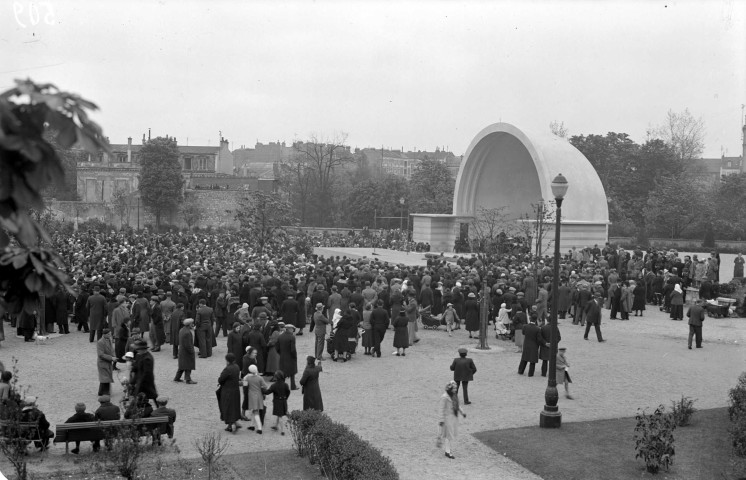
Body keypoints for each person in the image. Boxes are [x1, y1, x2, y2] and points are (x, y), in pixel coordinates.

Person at [438, 381, 466, 459]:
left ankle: (448, 451)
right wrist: (441, 420)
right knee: (449, 435)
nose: (455, 389)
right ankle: (447, 451)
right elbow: (441, 409)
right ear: (450, 388)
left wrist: (462, 412)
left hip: (453, 418)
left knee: (450, 435)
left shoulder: (453, 395)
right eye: (454, 388)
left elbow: (457, 405)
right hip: (447, 419)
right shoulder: (444, 397)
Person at [218, 353, 242, 433]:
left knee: (227, 407)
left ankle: (232, 424)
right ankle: (232, 423)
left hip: (227, 391)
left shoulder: (228, 369)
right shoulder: (237, 367)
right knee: (234, 406)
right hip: (236, 390)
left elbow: (221, 379)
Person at [242, 364, 268, 434]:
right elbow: (265, 386)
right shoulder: (260, 378)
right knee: (254, 410)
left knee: (255, 411)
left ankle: (259, 428)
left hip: (251, 396)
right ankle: (252, 425)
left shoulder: (247, 378)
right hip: (259, 395)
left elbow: (244, 386)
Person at [263, 370, 290, 435]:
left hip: (277, 402)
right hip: (283, 401)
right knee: (279, 414)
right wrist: (285, 398)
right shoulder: (285, 385)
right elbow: (288, 392)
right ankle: (276, 426)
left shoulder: (274, 385)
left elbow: (267, 392)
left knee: (280, 416)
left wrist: (262, 389)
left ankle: (282, 430)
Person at [97, 328, 122, 396]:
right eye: (108, 334)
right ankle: (106, 392)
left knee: (105, 377)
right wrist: (111, 358)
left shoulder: (109, 340)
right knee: (105, 378)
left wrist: (114, 357)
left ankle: (101, 391)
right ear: (104, 334)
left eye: (110, 334)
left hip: (108, 361)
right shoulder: (100, 342)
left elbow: (112, 349)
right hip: (103, 362)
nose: (110, 335)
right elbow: (101, 354)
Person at [174, 318, 197, 384]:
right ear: (189, 324)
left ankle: (177, 378)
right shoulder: (187, 332)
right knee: (188, 365)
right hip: (186, 352)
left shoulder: (182, 330)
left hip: (182, 350)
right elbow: (188, 345)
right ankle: (188, 379)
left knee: (182, 365)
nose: (192, 325)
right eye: (192, 323)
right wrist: (192, 351)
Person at [275, 323, 298, 390]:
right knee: (292, 372)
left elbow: (277, 348)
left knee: (283, 371)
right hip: (290, 356)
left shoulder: (280, 336)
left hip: (282, 356)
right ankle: (293, 386)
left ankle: (282, 386)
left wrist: (281, 353)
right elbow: (293, 349)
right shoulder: (292, 337)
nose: (293, 330)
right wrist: (294, 356)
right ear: (290, 329)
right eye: (292, 329)